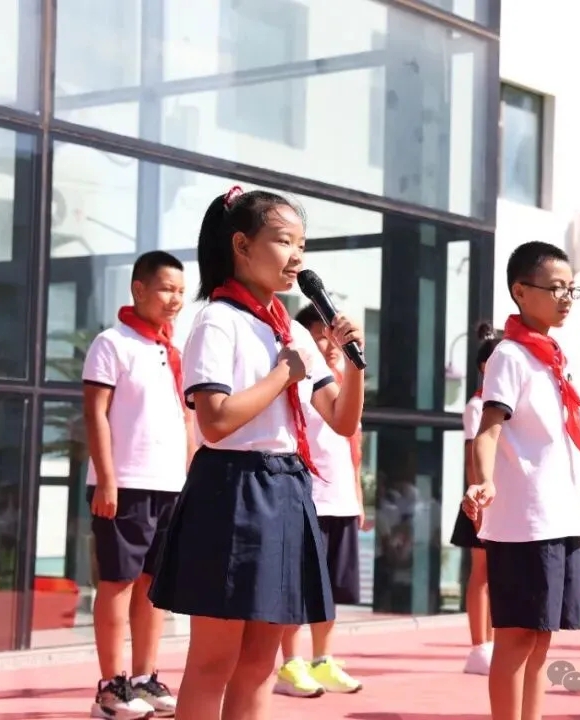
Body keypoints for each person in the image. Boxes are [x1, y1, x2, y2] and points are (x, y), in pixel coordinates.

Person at [148, 186, 364, 720]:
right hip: (231, 488)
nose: (297, 258)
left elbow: (341, 420)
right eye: (284, 241)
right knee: (213, 661)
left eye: (302, 246)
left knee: (261, 663)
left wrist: (355, 365)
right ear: (241, 245)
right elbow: (215, 421)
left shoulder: (292, 331)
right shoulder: (217, 319)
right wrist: (283, 374)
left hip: (287, 488)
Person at [462, 241, 580, 720]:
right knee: (516, 640)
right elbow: (488, 428)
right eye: (555, 288)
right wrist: (484, 481)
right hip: (525, 522)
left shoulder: (551, 356)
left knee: (540, 640)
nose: (566, 298)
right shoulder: (510, 355)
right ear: (520, 291)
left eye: (571, 288)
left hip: (558, 517)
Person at [82, 250, 193, 719]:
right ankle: (111, 689)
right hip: (125, 485)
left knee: (154, 586)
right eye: (167, 289)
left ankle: (145, 680)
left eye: (181, 291)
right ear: (139, 289)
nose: (175, 299)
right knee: (117, 582)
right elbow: (95, 414)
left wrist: (191, 480)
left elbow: (186, 420)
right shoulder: (111, 343)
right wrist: (107, 480)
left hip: (170, 486)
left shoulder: (173, 352)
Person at [273, 302, 367, 697]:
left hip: (340, 498)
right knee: (296, 586)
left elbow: (352, 445)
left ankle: (322, 659)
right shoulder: (299, 381)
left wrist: (357, 497)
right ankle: (290, 663)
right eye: (320, 337)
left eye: (333, 337)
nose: (329, 345)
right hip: (306, 497)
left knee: (329, 588)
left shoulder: (343, 383)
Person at [448, 321, 500, 675]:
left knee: (498, 574)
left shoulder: (503, 404)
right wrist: (477, 503)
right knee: (481, 572)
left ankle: (493, 642)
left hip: (502, 498)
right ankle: (479, 646)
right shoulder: (476, 405)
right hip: (480, 499)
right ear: (485, 367)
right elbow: (472, 457)